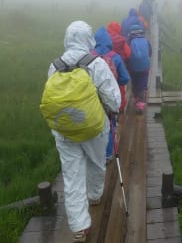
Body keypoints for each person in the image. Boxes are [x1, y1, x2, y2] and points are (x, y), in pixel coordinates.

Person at [47, 21, 121, 242]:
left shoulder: (55, 65)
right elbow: (114, 100)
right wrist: (113, 110)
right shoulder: (96, 63)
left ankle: (79, 227)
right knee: (97, 163)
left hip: (65, 129)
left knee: (71, 175)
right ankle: (95, 195)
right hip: (94, 128)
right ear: (89, 39)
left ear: (67, 39)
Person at [94, 26, 130, 162]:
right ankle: (108, 154)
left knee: (95, 124)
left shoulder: (88, 57)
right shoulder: (116, 57)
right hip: (109, 98)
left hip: (92, 98)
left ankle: (95, 154)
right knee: (110, 125)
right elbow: (125, 78)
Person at [107, 21, 131, 114]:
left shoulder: (105, 39)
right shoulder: (121, 39)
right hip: (119, 65)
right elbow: (128, 54)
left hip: (106, 66)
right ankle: (120, 108)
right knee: (120, 87)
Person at [127, 24, 152, 113]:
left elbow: (127, 53)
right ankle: (140, 104)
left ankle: (136, 97)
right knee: (142, 83)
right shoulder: (146, 40)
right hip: (145, 66)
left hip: (133, 67)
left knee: (134, 82)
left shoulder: (129, 41)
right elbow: (150, 52)